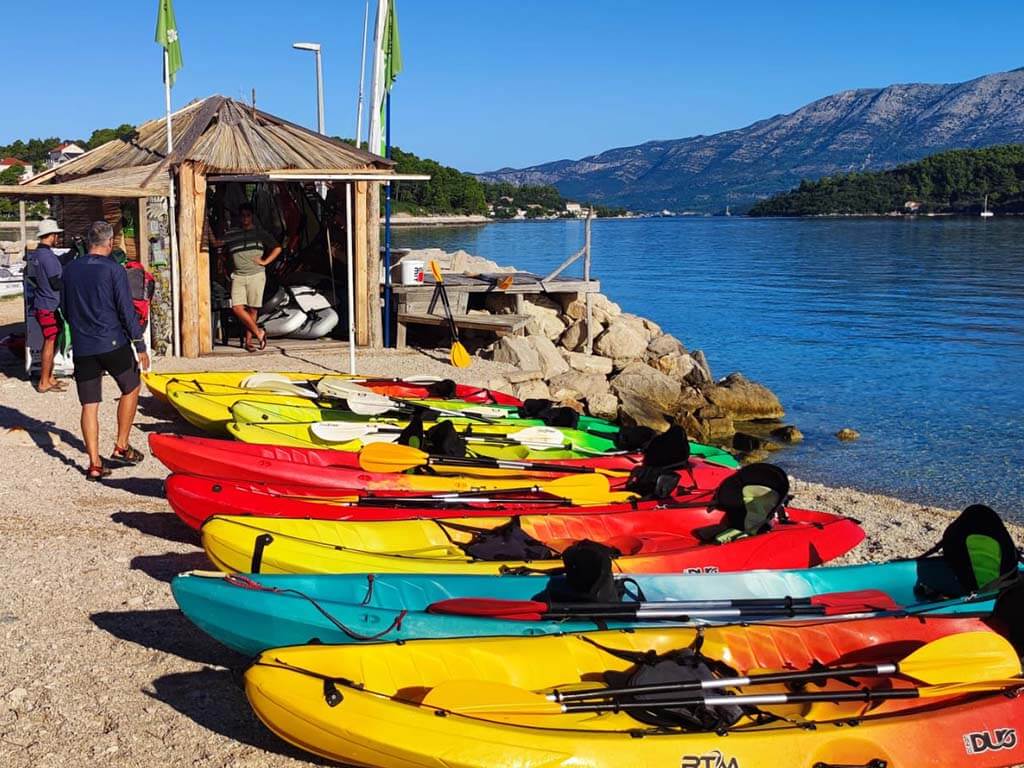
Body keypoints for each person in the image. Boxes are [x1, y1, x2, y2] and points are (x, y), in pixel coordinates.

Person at [61, 221, 150, 480]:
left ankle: (94, 464)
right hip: (111, 341)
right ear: (110, 242)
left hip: (83, 345)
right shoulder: (114, 269)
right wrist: (139, 343)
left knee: (89, 405)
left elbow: (64, 308)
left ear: (89, 242)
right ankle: (121, 445)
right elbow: (126, 309)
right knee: (131, 386)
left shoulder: (70, 269)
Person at [216, 203, 282, 351]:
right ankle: (259, 332)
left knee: (252, 309)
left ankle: (249, 342)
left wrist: (265, 261)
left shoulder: (259, 233)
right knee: (237, 307)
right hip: (238, 275)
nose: (245, 218)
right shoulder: (232, 233)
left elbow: (277, 248)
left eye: (248, 215)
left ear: (252, 216)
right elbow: (218, 244)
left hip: (256, 274)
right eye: (242, 215)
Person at [26, 219, 67, 393]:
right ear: (51, 236)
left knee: (52, 341)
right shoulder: (48, 257)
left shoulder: (39, 254)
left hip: (44, 303)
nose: (58, 238)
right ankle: (44, 382)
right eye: (56, 235)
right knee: (50, 343)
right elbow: (56, 283)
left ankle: (49, 377)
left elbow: (57, 264)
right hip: (49, 305)